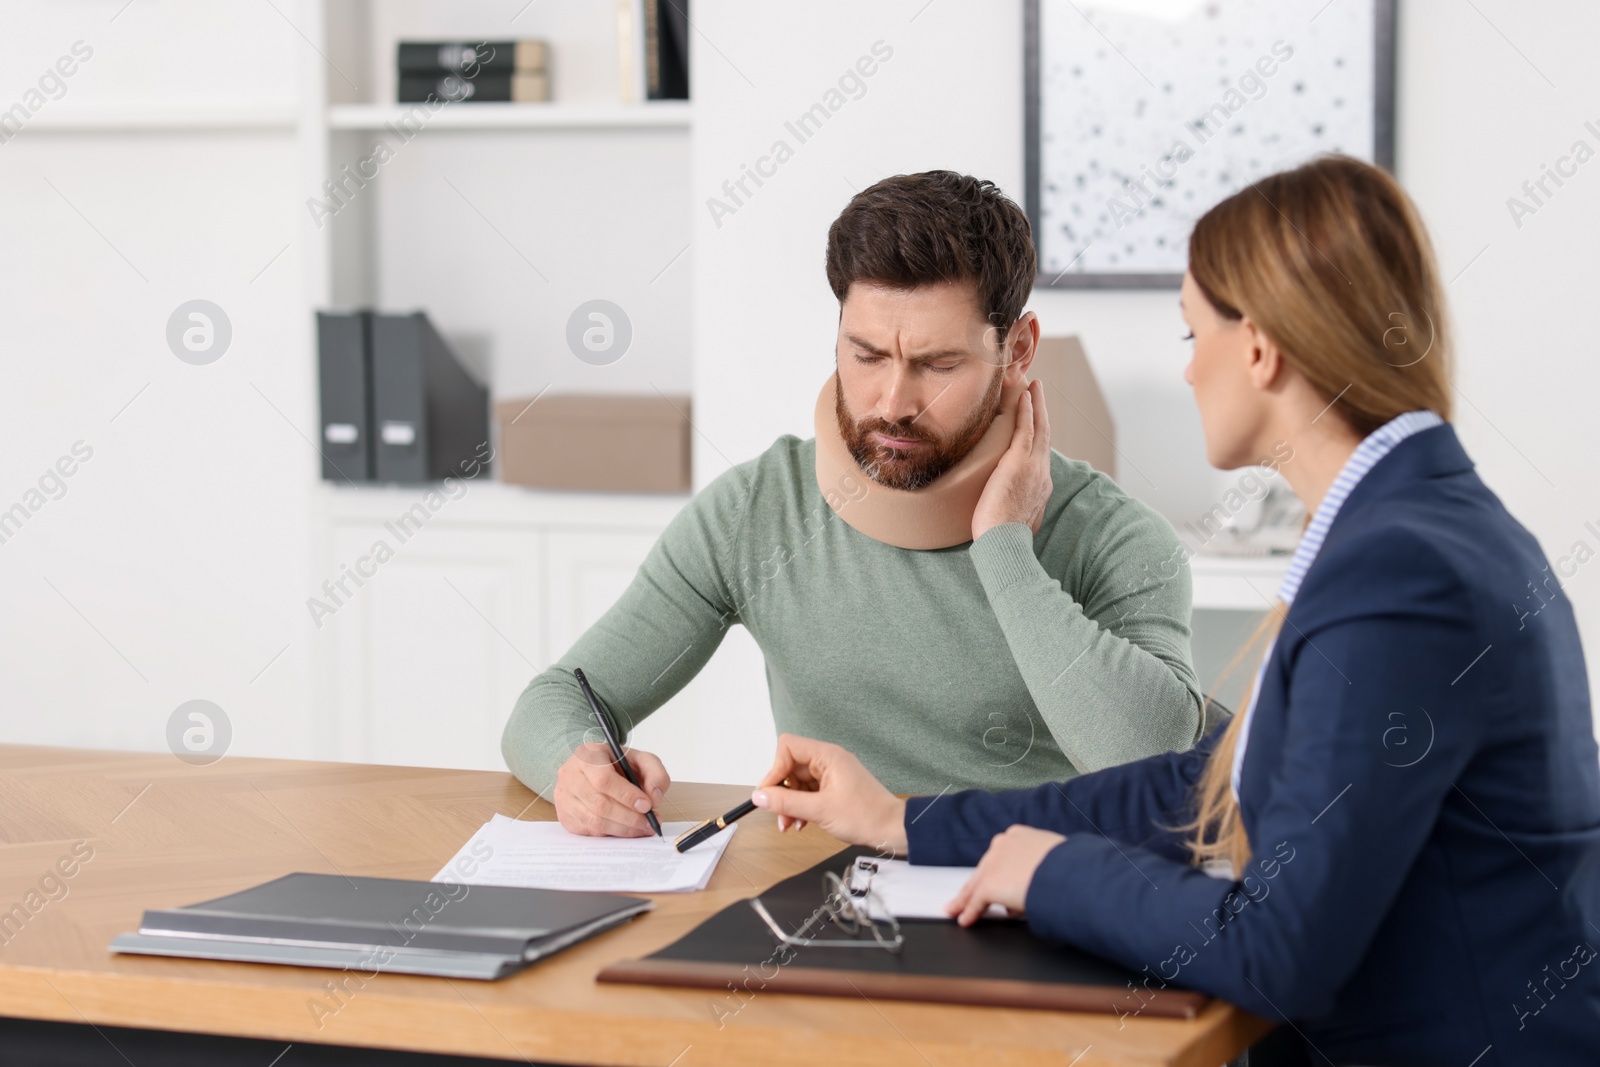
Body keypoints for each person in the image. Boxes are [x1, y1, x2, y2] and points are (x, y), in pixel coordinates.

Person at [748, 155, 1600, 1064]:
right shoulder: (1415, 526)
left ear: (1261, 347)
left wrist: (1053, 872)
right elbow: (1204, 784)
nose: (1189, 372)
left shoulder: (1403, 572)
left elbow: (1283, 950)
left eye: (1193, 334)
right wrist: (901, 822)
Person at [503, 171, 1206, 837]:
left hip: (1034, 902)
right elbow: (553, 701)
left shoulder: (1114, 536)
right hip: (824, 904)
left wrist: (1005, 546)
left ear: (1017, 351)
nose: (893, 402)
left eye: (938, 364)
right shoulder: (759, 508)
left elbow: (1151, 767)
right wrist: (580, 766)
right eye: (866, 355)